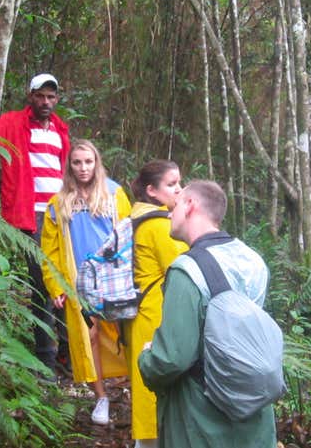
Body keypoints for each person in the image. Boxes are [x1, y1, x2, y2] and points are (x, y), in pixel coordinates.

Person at [138, 180, 276, 448]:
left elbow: (172, 359)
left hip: (202, 417)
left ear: (190, 205)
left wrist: (146, 358)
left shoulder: (187, 270)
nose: (169, 214)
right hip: (253, 408)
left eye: (175, 207)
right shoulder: (252, 259)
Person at [0, 73, 70, 375]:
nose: (46, 102)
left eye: (51, 97)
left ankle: (67, 356)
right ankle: (45, 360)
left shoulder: (60, 130)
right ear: (30, 96)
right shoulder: (13, 124)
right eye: (40, 96)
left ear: (56, 99)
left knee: (66, 283)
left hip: (61, 216)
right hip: (32, 217)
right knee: (43, 285)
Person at [40, 139, 131, 425]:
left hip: (113, 278)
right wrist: (56, 286)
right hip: (79, 282)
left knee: (125, 333)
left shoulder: (114, 194)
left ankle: (136, 387)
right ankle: (101, 397)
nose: (83, 168)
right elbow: (50, 250)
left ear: (96, 163)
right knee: (88, 338)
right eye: (77, 162)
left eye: (88, 162)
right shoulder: (59, 202)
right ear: (69, 165)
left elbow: (129, 235)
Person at [124, 160, 188, 448]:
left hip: (141, 314)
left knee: (145, 392)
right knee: (154, 394)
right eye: (172, 184)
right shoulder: (158, 225)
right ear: (151, 190)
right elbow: (184, 266)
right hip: (155, 314)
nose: (179, 189)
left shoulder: (137, 216)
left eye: (179, 183)